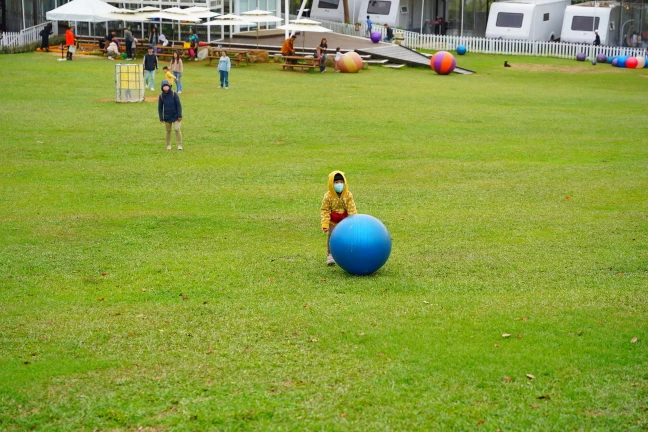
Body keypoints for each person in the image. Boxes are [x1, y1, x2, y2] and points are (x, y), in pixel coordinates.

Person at [320, 171, 358, 266]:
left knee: (348, 237)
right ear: (331, 184)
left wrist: (354, 222)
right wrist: (325, 223)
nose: (339, 184)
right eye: (336, 182)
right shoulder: (328, 196)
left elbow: (351, 209)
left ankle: (348, 254)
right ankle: (330, 255)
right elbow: (325, 210)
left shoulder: (348, 195)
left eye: (341, 182)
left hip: (345, 221)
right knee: (332, 236)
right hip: (333, 221)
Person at [158, 80, 183, 151]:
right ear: (162, 88)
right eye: (164, 86)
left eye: (167, 86)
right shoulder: (161, 96)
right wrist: (161, 117)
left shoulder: (174, 94)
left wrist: (179, 115)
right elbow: (160, 108)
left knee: (177, 129)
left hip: (176, 115)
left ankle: (179, 145)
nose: (166, 88)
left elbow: (178, 105)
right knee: (168, 131)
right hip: (167, 116)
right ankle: (168, 145)